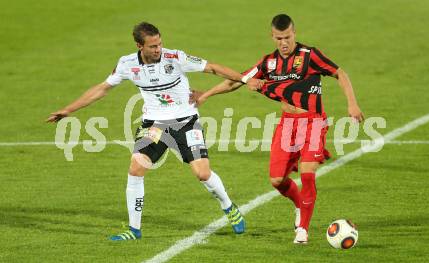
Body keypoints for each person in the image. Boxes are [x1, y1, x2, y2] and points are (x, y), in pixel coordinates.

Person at [46, 22, 264, 241]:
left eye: (159, 44)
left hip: (186, 122)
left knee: (202, 174)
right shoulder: (127, 64)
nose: (158, 49)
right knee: (135, 168)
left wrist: (245, 79)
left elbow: (213, 68)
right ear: (139, 45)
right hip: (154, 125)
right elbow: (102, 89)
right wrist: (68, 109)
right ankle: (133, 229)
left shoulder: (175, 58)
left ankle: (229, 207)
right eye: (152, 46)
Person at [195, 14, 364, 244]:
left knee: (307, 174)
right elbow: (237, 80)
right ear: (272, 37)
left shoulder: (309, 55)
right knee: (276, 180)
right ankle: (299, 205)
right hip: (287, 124)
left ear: (294, 33)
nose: (283, 43)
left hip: (313, 121)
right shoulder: (269, 63)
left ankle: (302, 230)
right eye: (278, 38)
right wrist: (205, 96)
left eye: (287, 37)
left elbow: (339, 73)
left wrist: (352, 103)